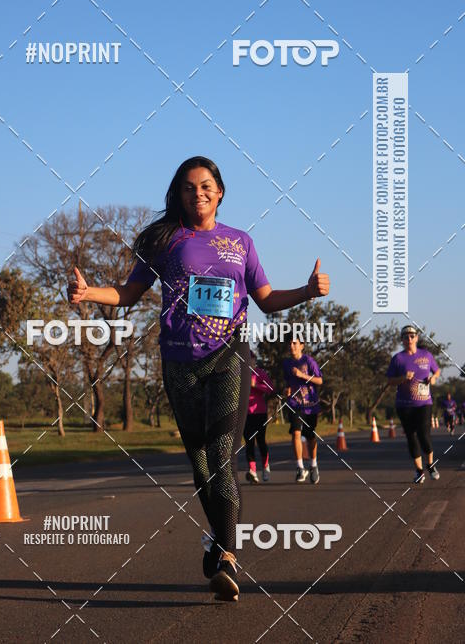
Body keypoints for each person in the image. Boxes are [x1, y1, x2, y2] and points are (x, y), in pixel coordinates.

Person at [67, 156, 330, 602]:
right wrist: (89, 292)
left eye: (206, 185)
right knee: (202, 465)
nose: (198, 193)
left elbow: (265, 300)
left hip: (229, 356)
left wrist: (307, 291)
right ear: (178, 194)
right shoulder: (163, 240)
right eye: (189, 187)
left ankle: (227, 556)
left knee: (222, 456)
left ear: (220, 191)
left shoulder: (240, 242)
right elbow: (129, 293)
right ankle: (217, 539)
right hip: (179, 361)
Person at [386, 325, 441, 483]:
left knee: (424, 434)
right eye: (406, 337)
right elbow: (390, 381)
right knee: (411, 436)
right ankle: (419, 471)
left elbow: (437, 371)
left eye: (412, 336)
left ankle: (430, 465)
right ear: (402, 340)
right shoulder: (398, 359)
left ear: (416, 338)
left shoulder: (426, 355)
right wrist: (403, 378)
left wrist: (433, 378)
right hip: (404, 405)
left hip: (424, 403)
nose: (409, 339)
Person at [282, 339, 323, 484]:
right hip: (295, 403)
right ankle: (300, 467)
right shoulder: (286, 363)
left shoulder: (309, 361)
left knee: (310, 437)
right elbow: (287, 383)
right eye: (290, 343)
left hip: (310, 405)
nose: (291, 346)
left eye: (294, 343)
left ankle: (313, 465)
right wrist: (286, 390)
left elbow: (319, 381)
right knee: (296, 433)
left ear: (302, 346)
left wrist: (302, 375)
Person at [244, 351, 275, 484]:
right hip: (245, 414)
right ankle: (253, 471)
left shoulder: (260, 373)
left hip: (260, 412)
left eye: (250, 358)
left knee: (261, 441)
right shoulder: (241, 374)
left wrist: (255, 385)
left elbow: (270, 389)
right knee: (249, 441)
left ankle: (265, 466)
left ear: (254, 360)